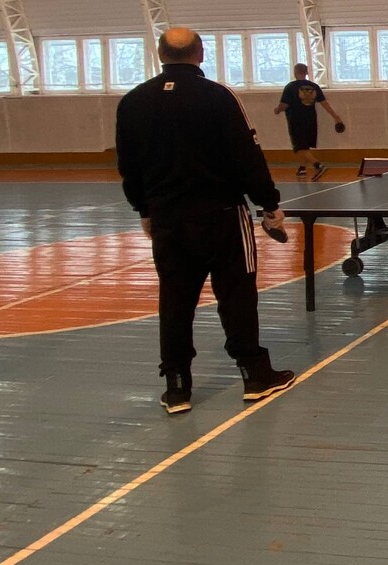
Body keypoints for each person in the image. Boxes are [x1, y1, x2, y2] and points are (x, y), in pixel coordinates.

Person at [116, 28, 298, 414]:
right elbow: (247, 154)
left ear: (159, 53)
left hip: (167, 218)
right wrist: (269, 204)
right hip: (222, 216)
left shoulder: (133, 101)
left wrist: (143, 209)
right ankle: (255, 375)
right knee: (237, 295)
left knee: (175, 299)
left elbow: (128, 165)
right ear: (200, 53)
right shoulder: (218, 96)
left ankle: (177, 387)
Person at [274, 63, 344, 181]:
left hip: (296, 120)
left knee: (299, 147)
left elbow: (284, 105)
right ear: (306, 72)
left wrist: (277, 110)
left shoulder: (290, 87)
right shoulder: (314, 86)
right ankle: (302, 168)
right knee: (304, 146)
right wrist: (336, 117)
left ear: (295, 72)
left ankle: (317, 165)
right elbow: (324, 103)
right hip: (311, 120)